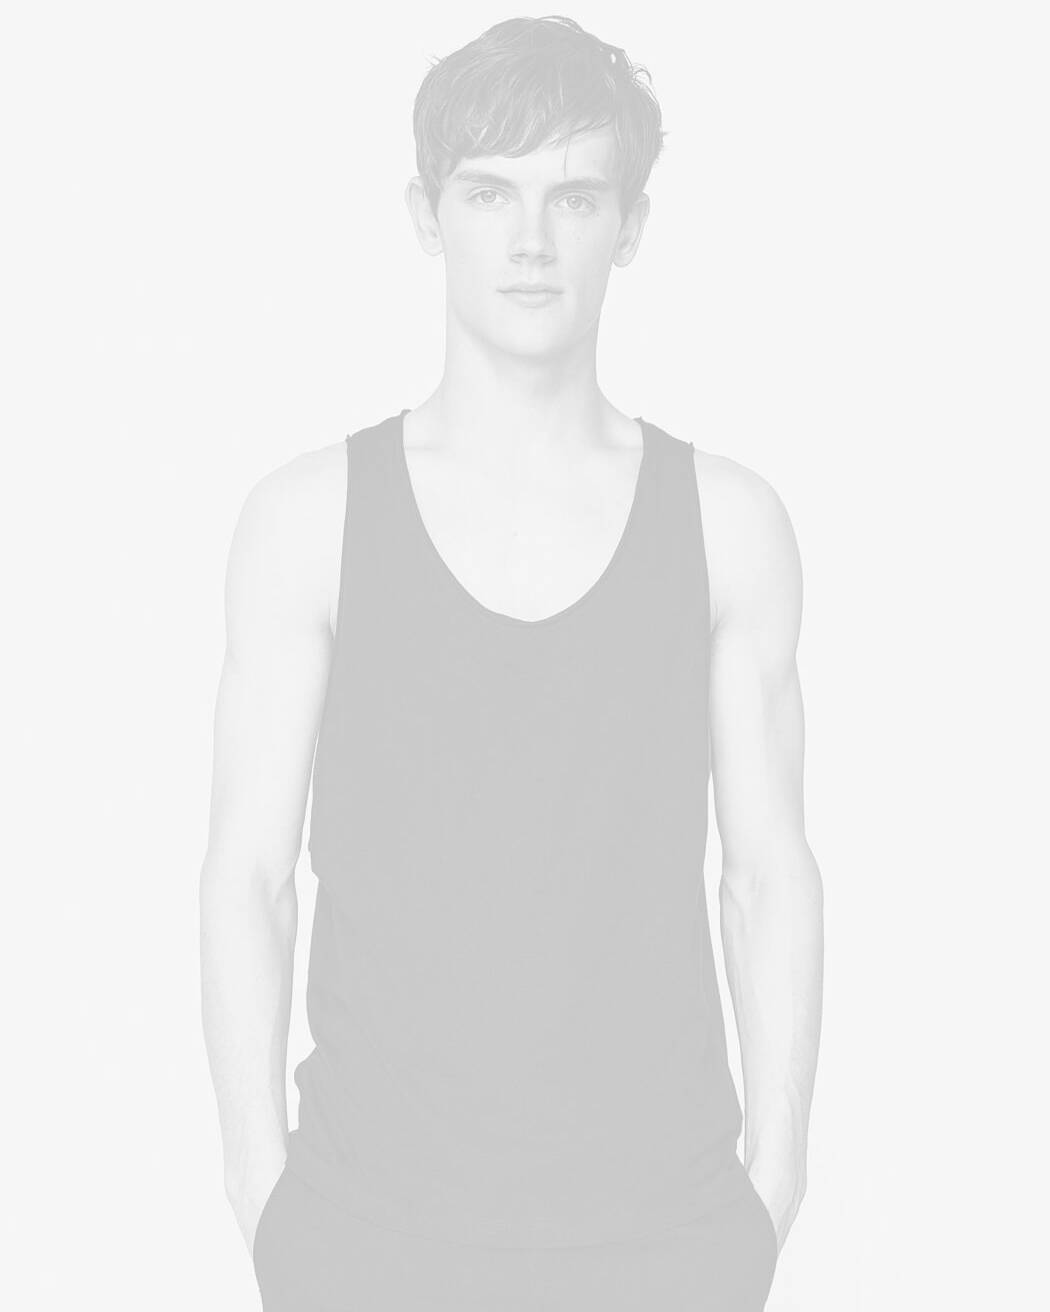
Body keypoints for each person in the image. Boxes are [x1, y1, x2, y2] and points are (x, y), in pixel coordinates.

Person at [200, 16, 823, 1311]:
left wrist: (773, 1190)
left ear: (631, 227)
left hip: (668, 1237)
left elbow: (766, 875)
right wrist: (264, 1199)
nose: (531, 240)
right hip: (362, 1234)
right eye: (489, 193)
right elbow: (248, 877)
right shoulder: (306, 520)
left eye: (574, 197)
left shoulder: (729, 524)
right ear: (425, 215)